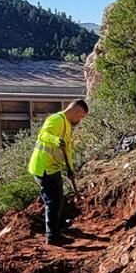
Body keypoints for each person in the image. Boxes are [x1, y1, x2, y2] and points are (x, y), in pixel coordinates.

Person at [26, 99, 88, 246]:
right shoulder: (56, 119)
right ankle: (52, 236)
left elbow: (67, 150)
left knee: (58, 199)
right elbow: (43, 135)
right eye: (81, 116)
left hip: (53, 167)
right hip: (43, 167)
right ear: (77, 111)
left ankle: (56, 229)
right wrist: (55, 140)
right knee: (52, 201)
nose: (80, 120)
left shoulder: (67, 126)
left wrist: (70, 169)